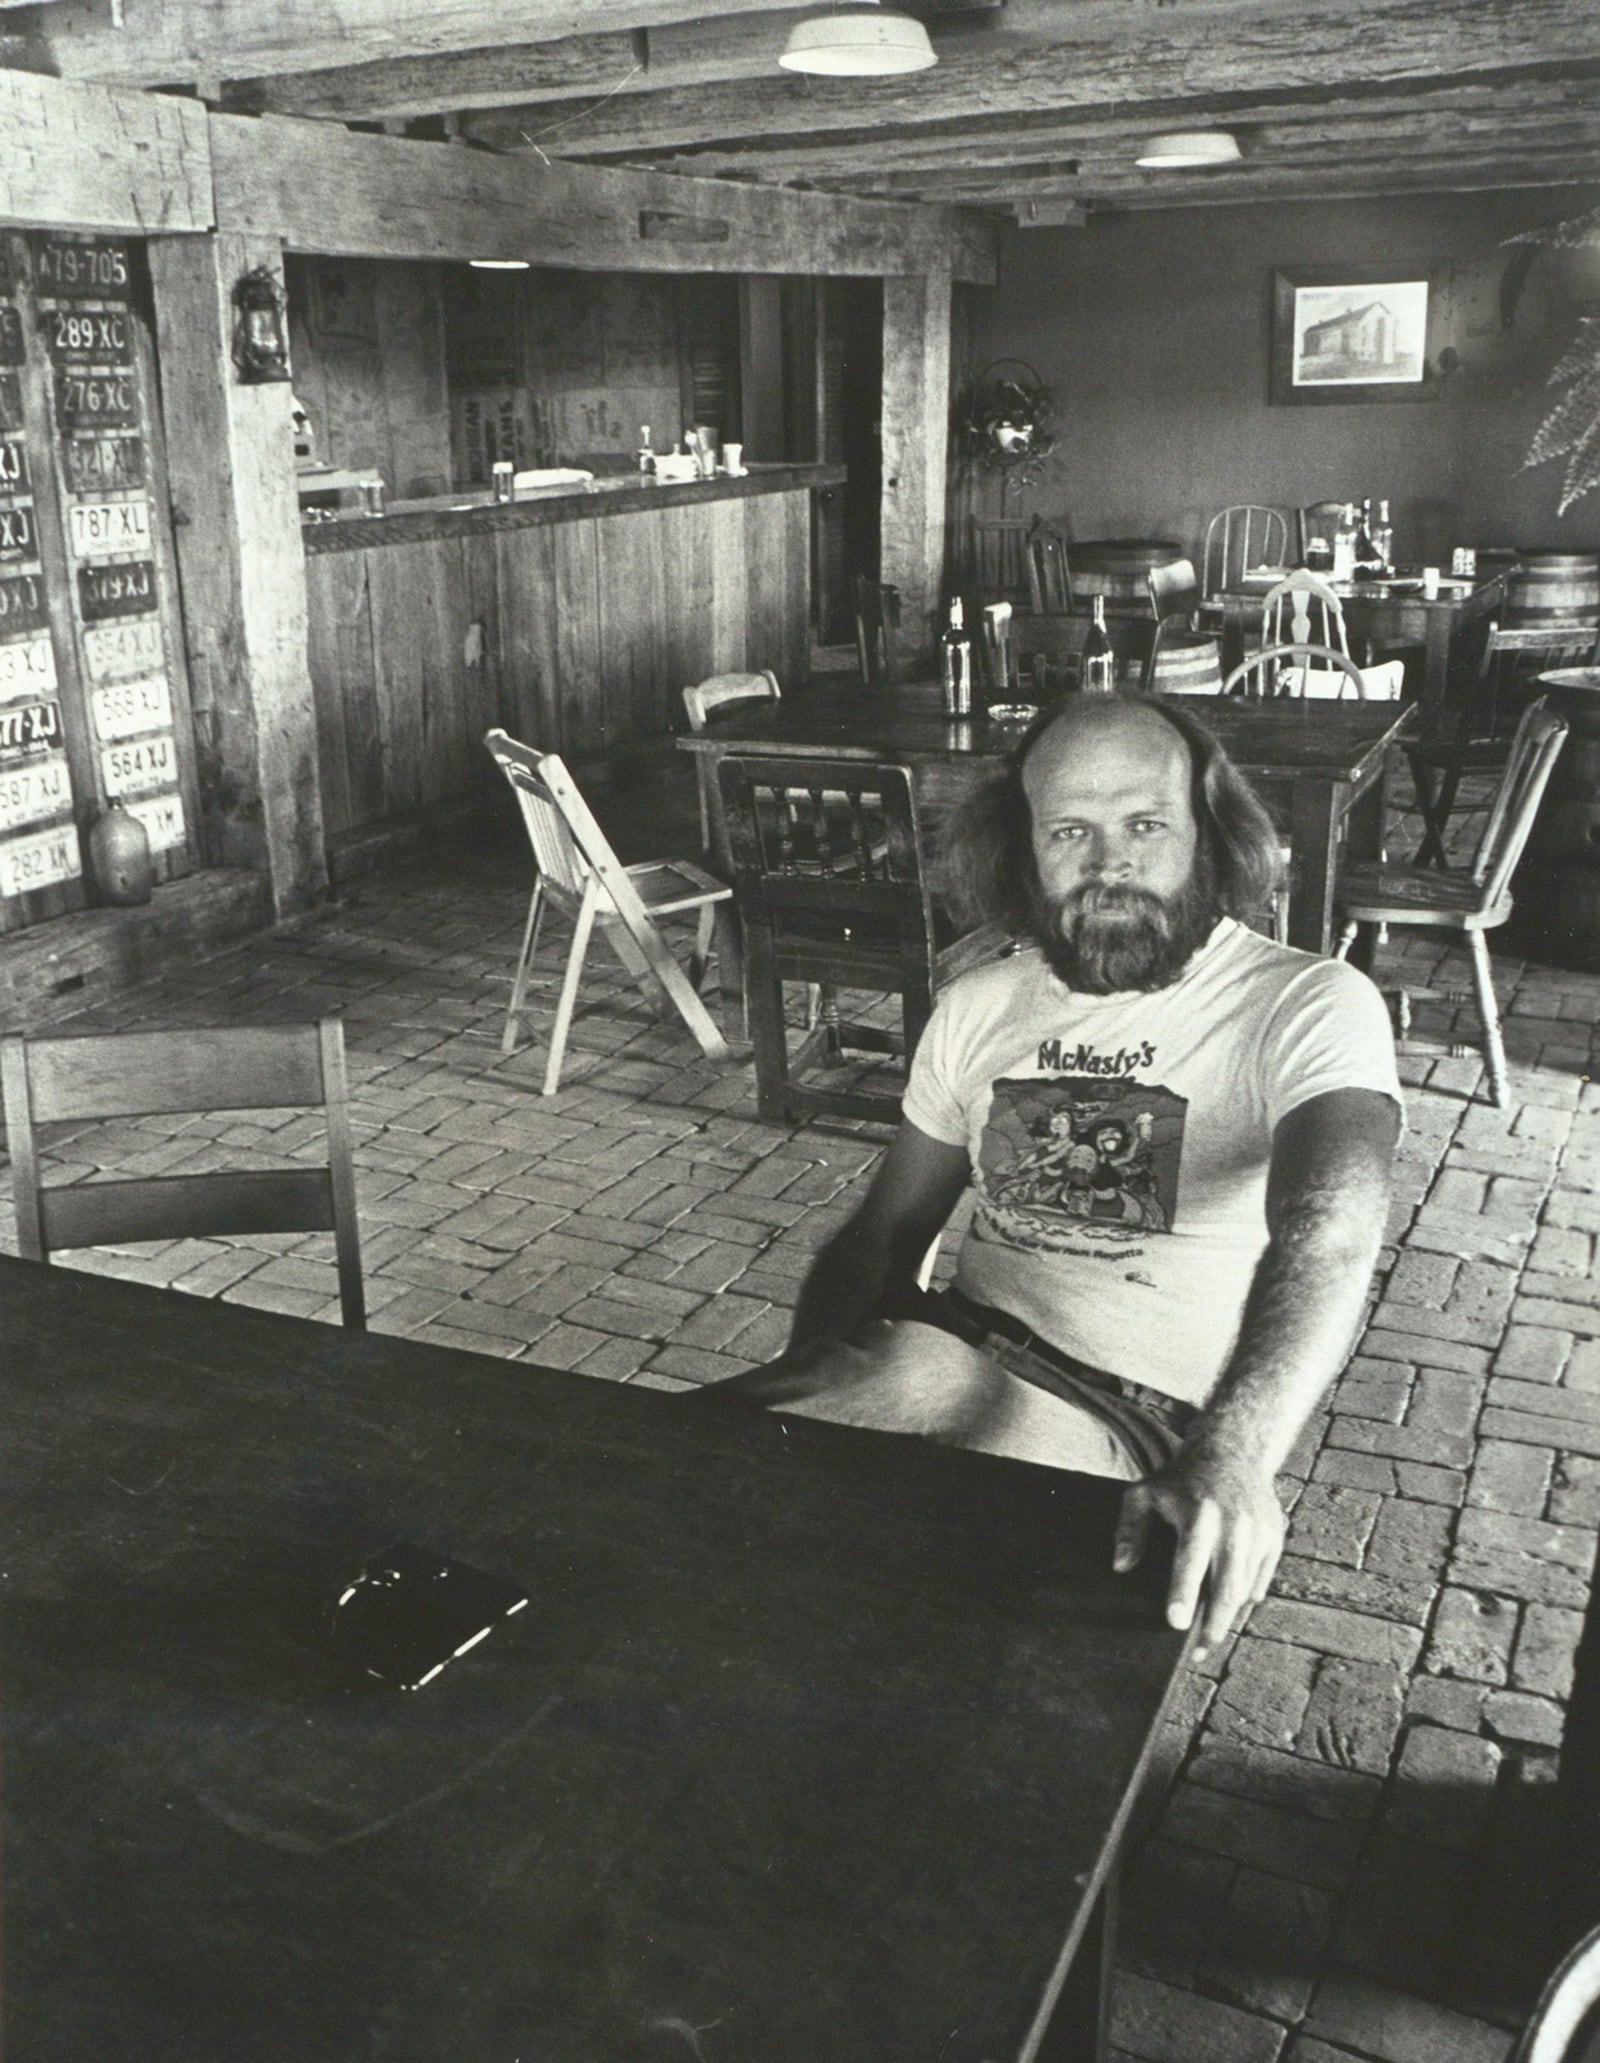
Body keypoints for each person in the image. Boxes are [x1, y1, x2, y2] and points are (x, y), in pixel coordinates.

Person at [707, 693, 1402, 1657]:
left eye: (1146, 824)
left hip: (1133, 1421)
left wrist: (1238, 1456)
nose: (1109, 862)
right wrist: (817, 1410)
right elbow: (884, 1231)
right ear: (1021, 847)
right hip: (942, 1353)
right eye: (1069, 829)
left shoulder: (1306, 1002)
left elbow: (1332, 1226)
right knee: (714, 1475)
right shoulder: (981, 1002)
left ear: (1211, 833)